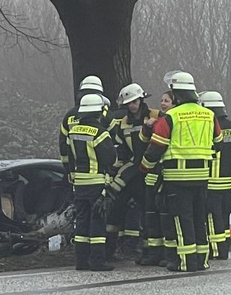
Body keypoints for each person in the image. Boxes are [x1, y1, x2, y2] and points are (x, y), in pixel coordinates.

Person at [140, 73, 222, 272]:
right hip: (202, 176)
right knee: (198, 217)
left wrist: (144, 166)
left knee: (181, 218)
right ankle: (202, 260)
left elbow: (156, 147)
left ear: (176, 95)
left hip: (177, 177)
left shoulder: (171, 117)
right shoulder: (209, 115)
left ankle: (186, 262)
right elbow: (218, 144)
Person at [61, 93, 116, 271]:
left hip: (80, 182)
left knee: (82, 220)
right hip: (96, 181)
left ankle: (81, 261)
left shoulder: (73, 131)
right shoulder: (100, 132)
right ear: (98, 112)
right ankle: (98, 261)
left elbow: (68, 154)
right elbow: (110, 157)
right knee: (97, 220)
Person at [106, 83, 160, 260]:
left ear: (141, 99)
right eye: (129, 103)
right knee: (117, 207)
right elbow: (121, 149)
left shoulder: (156, 116)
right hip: (132, 169)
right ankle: (110, 250)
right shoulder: (122, 123)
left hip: (151, 169)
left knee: (149, 210)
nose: (132, 105)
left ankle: (148, 251)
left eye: (135, 101)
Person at [199, 91, 231, 260]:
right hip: (227, 180)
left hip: (212, 180)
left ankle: (215, 250)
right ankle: (224, 248)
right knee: (224, 216)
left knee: (212, 216)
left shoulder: (210, 127)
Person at [135, 88, 172, 266]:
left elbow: (157, 149)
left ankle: (166, 253)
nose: (163, 103)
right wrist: (147, 127)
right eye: (162, 100)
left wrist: (145, 165)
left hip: (165, 176)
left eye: (167, 101)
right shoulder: (158, 121)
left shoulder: (172, 122)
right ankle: (154, 252)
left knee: (165, 217)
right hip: (151, 177)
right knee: (151, 217)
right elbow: (142, 142)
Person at [58, 75, 108, 167]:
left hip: (77, 170)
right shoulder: (102, 113)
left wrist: (68, 169)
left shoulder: (69, 115)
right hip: (99, 171)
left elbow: (63, 144)